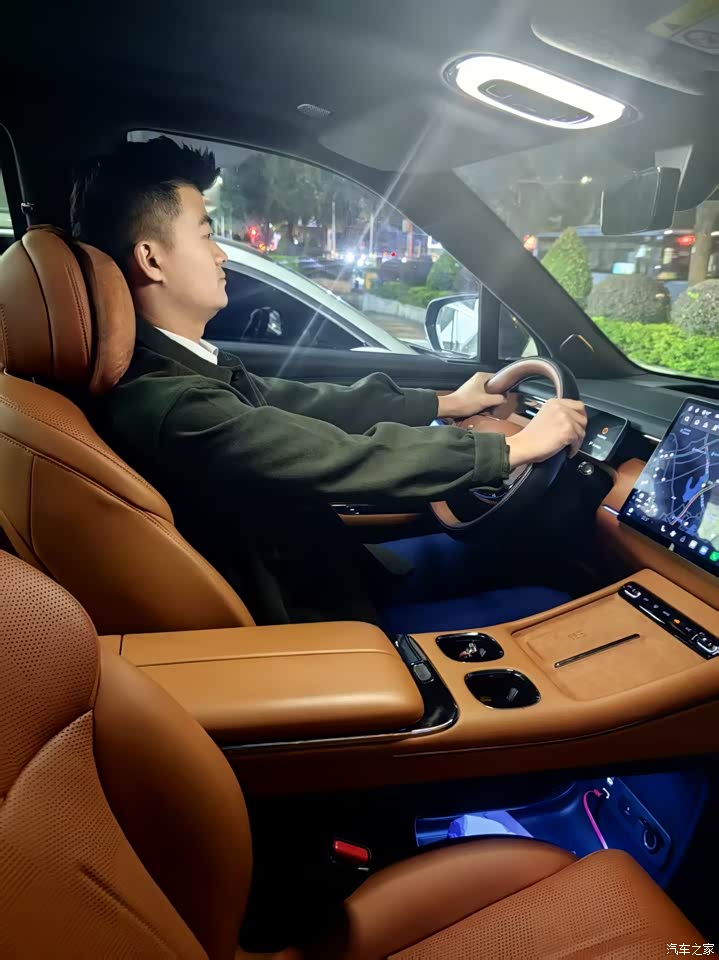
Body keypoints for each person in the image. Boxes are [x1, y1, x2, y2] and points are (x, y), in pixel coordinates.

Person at [72, 137, 587, 628]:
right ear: (152, 259)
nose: (221, 254)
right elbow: (342, 456)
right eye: (206, 236)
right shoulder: (172, 403)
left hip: (326, 575)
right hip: (321, 620)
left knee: (515, 563)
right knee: (552, 601)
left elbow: (306, 403)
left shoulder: (180, 370)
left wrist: (447, 402)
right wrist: (514, 448)